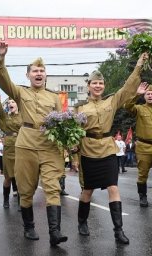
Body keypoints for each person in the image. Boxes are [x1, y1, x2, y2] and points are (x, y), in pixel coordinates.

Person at [0, 41, 68, 246]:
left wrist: (67, 142)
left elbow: (61, 121)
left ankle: (55, 232)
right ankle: (29, 227)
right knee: (26, 189)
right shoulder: (20, 92)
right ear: (28, 75)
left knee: (52, 187)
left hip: (49, 145)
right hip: (26, 143)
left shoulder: (54, 98)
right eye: (35, 71)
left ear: (45, 75)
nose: (39, 73)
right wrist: (1, 58)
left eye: (42, 71)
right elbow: (3, 81)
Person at [73, 52, 148, 245]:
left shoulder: (111, 100)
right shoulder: (79, 109)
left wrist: (139, 64)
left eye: (101, 83)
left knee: (113, 187)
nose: (98, 86)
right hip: (88, 150)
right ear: (88, 86)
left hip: (107, 149)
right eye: (94, 83)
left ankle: (118, 230)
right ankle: (82, 222)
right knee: (87, 191)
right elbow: (73, 133)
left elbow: (128, 87)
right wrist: (74, 155)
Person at [0, 80, 22, 208]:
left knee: (19, 177)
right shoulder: (5, 117)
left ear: (17, 104)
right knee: (8, 177)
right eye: (8, 103)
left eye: (12, 102)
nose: (10, 104)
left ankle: (20, 202)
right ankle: (6, 200)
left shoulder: (23, 116)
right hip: (8, 149)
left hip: (20, 147)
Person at [124, 82, 152, 207]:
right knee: (142, 174)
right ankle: (143, 196)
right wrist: (136, 95)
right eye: (148, 93)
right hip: (144, 146)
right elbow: (127, 106)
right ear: (144, 96)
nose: (150, 95)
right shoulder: (140, 108)